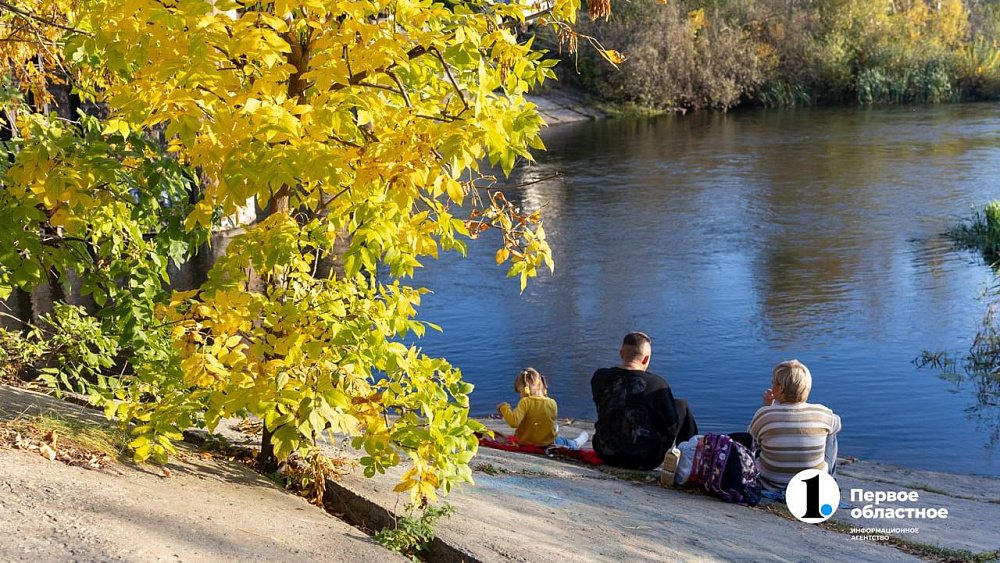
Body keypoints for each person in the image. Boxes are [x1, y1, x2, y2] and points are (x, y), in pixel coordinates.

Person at [590, 332, 699, 470]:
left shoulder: (600, 377)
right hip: (644, 460)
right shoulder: (657, 385)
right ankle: (690, 463)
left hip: (604, 451)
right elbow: (670, 429)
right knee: (681, 406)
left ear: (621, 353)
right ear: (646, 359)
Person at [748, 359, 842, 491]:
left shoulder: (764, 414)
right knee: (831, 431)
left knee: (760, 437)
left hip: (770, 485)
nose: (771, 386)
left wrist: (768, 408)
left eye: (773, 383)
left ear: (780, 389)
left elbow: (750, 442)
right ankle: (830, 480)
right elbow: (838, 423)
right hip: (811, 487)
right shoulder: (823, 412)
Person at [497, 367, 589, 449]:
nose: (520, 395)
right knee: (563, 440)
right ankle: (577, 443)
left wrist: (504, 408)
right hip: (547, 442)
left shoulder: (525, 402)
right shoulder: (552, 402)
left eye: (520, 391)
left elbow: (513, 422)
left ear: (526, 388)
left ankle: (576, 443)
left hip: (526, 442)